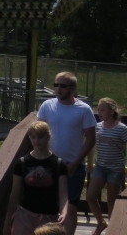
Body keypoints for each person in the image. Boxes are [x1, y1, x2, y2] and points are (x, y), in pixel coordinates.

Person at [37, 71, 97, 235]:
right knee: (48, 205)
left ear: (72, 88)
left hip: (73, 165)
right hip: (49, 163)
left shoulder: (84, 110)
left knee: (70, 207)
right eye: (56, 84)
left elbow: (91, 139)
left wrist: (77, 162)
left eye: (63, 86)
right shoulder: (47, 106)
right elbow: (38, 133)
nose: (58, 89)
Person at [3, 121, 69, 235]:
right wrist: (7, 221)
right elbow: (14, 194)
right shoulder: (22, 163)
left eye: (40, 137)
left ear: (48, 137)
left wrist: (64, 212)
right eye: (33, 137)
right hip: (25, 215)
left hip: (49, 218)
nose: (36, 141)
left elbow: (63, 194)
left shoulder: (58, 164)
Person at [87, 97, 127, 235]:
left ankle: (113, 229)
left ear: (111, 111)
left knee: (111, 202)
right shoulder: (98, 127)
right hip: (100, 166)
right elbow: (92, 145)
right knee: (90, 196)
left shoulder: (122, 129)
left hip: (115, 169)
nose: (100, 112)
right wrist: (90, 162)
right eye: (99, 109)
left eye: (103, 109)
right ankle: (101, 222)